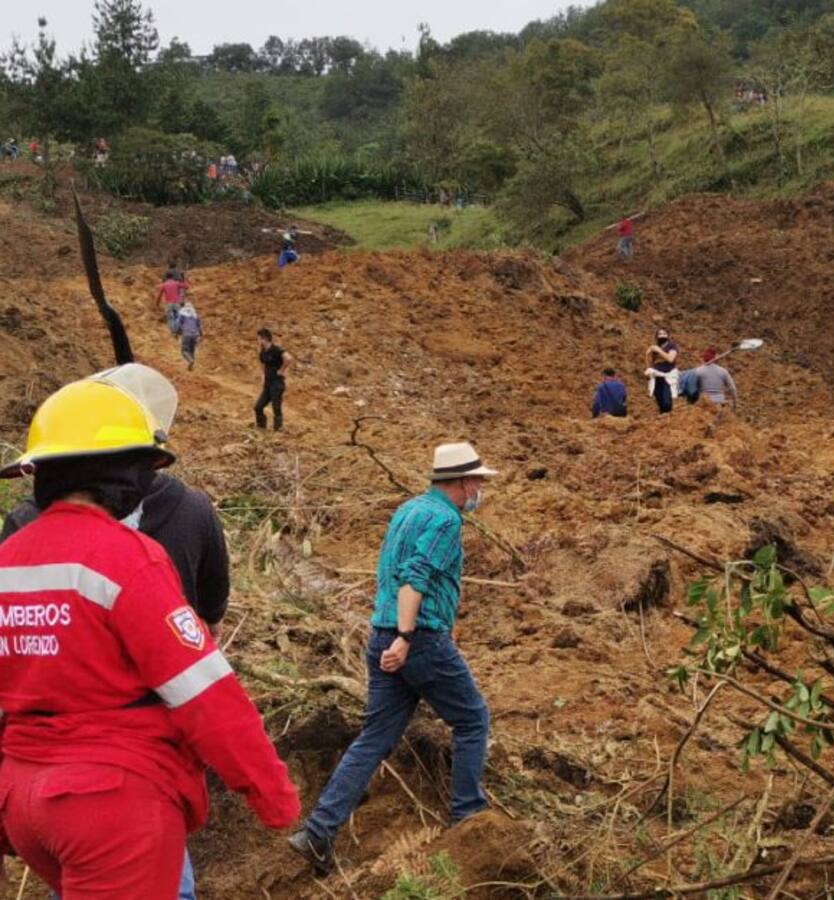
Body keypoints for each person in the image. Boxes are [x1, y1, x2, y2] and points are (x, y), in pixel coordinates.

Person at [0, 366, 298, 899]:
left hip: (23, 797)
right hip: (111, 801)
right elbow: (206, 692)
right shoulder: (126, 559)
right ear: (125, 473)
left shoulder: (9, 560)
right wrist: (273, 797)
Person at [289, 442, 497, 876]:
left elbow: (389, 571)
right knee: (473, 719)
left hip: (379, 633)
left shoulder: (409, 509)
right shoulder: (445, 520)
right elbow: (413, 578)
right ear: (460, 482)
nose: (481, 488)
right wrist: (406, 638)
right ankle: (468, 818)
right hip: (416, 638)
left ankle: (318, 832)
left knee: (376, 736)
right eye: (477, 480)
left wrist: (393, 636)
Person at [254, 328, 292, 431]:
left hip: (277, 384)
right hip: (268, 384)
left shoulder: (276, 349)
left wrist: (281, 370)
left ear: (265, 339)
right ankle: (261, 427)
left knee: (276, 408)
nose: (257, 341)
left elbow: (288, 358)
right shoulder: (263, 352)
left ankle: (277, 430)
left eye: (258, 338)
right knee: (258, 407)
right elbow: (262, 364)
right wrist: (263, 376)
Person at [645, 328, 679, 415]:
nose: (662, 335)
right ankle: (662, 415)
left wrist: (659, 350)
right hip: (657, 376)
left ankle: (668, 415)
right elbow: (651, 363)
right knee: (658, 397)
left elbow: (671, 359)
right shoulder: (656, 347)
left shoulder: (671, 346)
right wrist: (648, 354)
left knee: (666, 400)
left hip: (667, 375)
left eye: (664, 333)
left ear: (668, 335)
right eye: (660, 334)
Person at [156, 273, 190, 337]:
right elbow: (186, 286)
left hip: (168, 304)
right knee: (178, 316)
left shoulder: (164, 285)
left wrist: (157, 303)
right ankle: (179, 329)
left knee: (170, 318)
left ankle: (173, 332)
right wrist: (184, 279)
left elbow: (159, 295)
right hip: (176, 303)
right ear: (173, 277)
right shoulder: (176, 283)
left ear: (166, 278)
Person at [178, 302, 203, 370]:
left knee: (184, 351)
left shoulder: (183, 315)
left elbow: (179, 324)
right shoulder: (196, 315)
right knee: (192, 350)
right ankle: (191, 367)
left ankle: (190, 361)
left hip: (187, 334)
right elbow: (200, 327)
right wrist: (201, 335)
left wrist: (179, 332)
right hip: (195, 335)